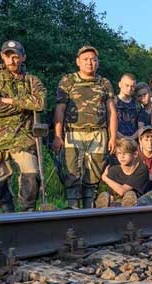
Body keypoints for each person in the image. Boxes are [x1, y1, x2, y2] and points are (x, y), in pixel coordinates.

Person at [0, 40, 46, 212]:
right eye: (8, 56)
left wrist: (10, 100)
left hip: (23, 137)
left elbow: (40, 103)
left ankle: (27, 212)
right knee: (1, 179)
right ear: (2, 56)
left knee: (32, 174)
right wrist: (24, 104)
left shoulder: (32, 81)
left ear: (23, 57)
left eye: (16, 57)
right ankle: (7, 214)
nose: (12, 61)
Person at [53, 45, 117, 209]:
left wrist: (113, 137)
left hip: (98, 133)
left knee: (94, 173)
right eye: (86, 59)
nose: (90, 63)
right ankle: (72, 208)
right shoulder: (68, 81)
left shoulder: (104, 83)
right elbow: (60, 109)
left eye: (93, 60)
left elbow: (111, 111)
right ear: (78, 62)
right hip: (73, 133)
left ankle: (89, 209)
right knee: (72, 172)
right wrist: (58, 136)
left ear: (98, 62)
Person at [96, 138, 151, 207]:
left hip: (139, 203)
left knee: (130, 194)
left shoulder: (142, 169)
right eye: (119, 153)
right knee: (105, 196)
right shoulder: (114, 170)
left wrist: (105, 178)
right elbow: (112, 195)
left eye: (125, 153)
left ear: (135, 154)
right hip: (117, 203)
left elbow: (122, 191)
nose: (122, 156)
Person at [115, 73, 139, 140]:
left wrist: (131, 138)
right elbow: (108, 123)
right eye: (127, 85)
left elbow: (141, 126)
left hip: (134, 141)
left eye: (132, 86)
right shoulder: (112, 102)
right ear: (120, 84)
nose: (129, 89)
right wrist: (123, 138)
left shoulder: (137, 104)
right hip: (117, 141)